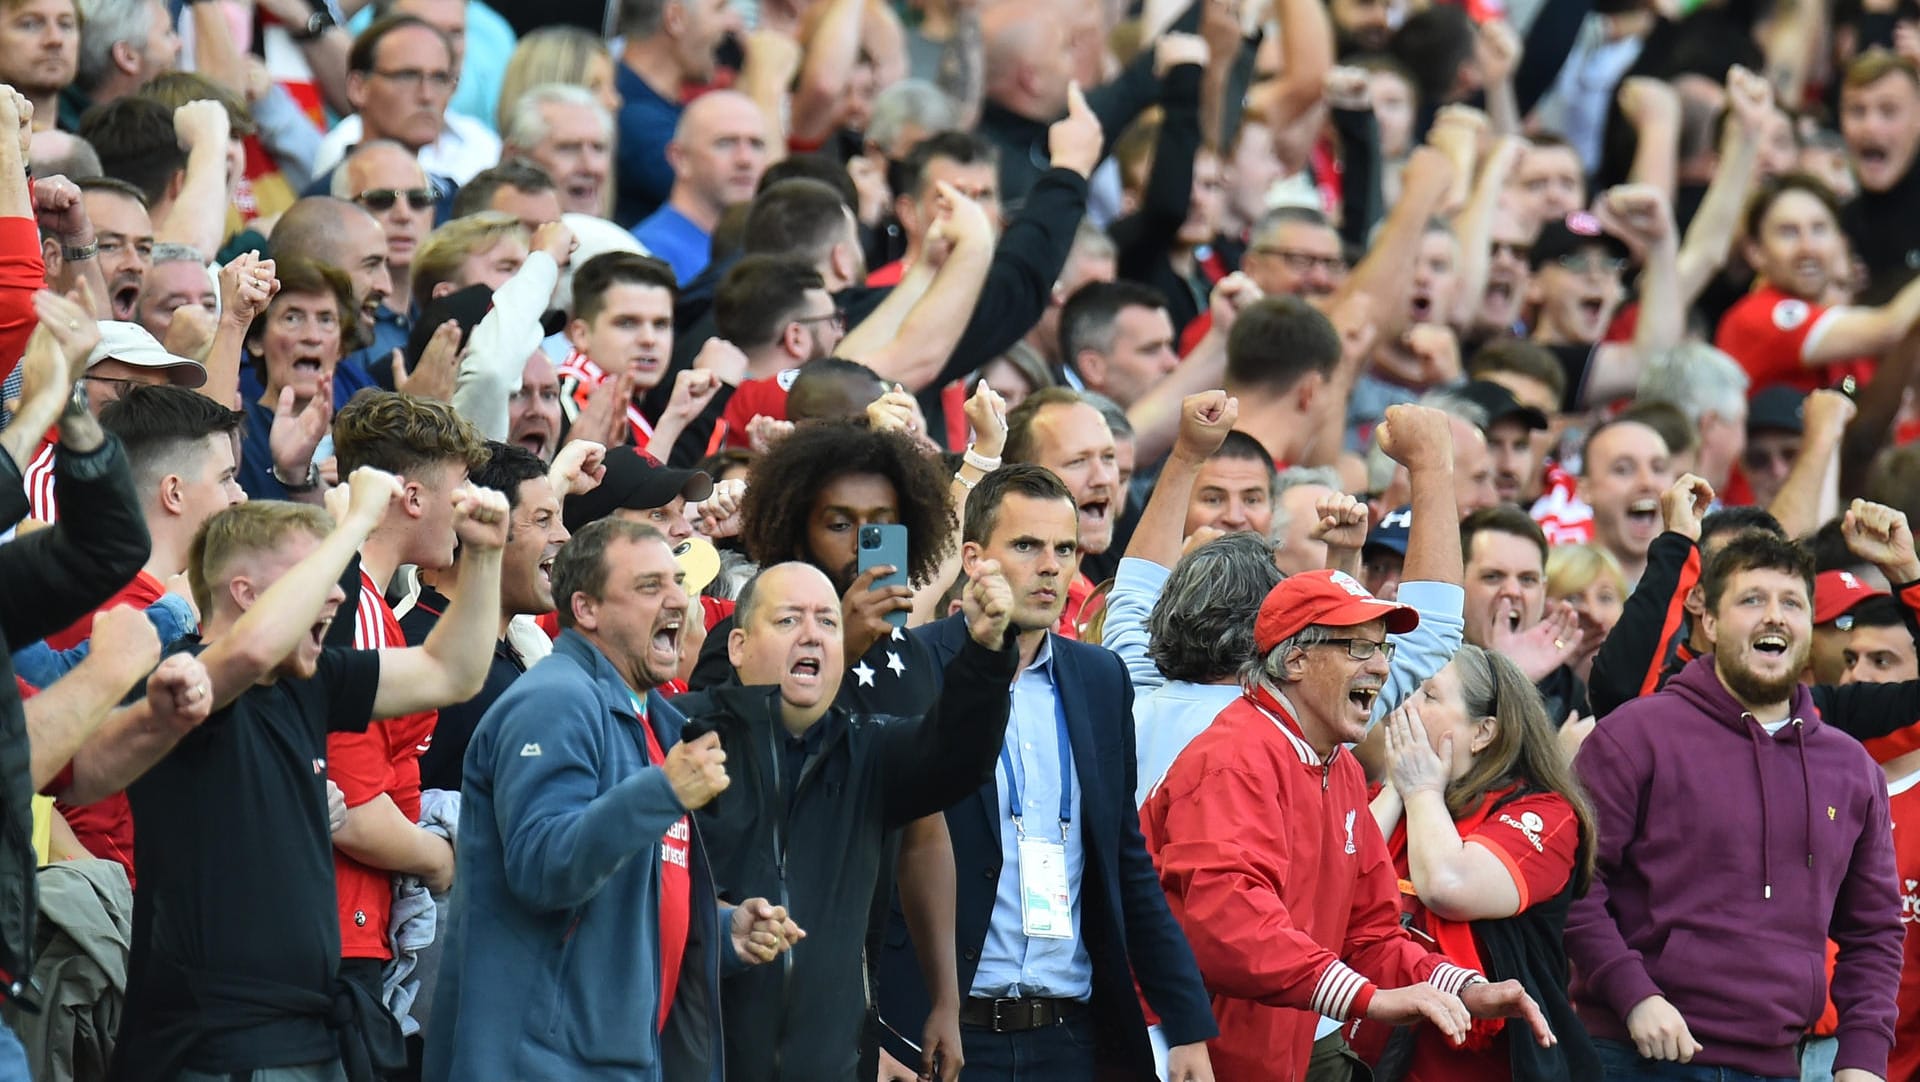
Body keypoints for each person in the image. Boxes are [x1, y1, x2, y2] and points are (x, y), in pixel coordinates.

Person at [115, 466, 510, 1082]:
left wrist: (484, 558)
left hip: (310, 1035)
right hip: (217, 1050)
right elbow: (247, 651)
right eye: (316, 573)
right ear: (244, 592)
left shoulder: (309, 679)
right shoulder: (187, 677)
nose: (336, 593)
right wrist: (354, 524)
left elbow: (450, 672)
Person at [1139, 569, 1555, 1081]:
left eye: (1383, 649)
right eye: (1359, 648)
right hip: (1183, 1058)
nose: (1381, 668)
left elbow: (1369, 935)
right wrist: (1368, 999)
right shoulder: (1234, 759)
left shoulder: (1340, 768)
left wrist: (1460, 987)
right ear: (1295, 658)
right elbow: (1232, 927)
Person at [423, 519, 800, 1082]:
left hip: (620, 1062)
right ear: (587, 608)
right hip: (537, 1066)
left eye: (677, 582)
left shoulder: (656, 723)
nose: (679, 599)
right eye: (650, 587)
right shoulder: (555, 701)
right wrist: (662, 791)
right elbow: (544, 867)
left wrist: (722, 933)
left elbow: (632, 897)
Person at [876, 465, 1220, 1082]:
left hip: (1067, 1036)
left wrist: (1186, 1020)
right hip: (937, 1034)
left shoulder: (1100, 677)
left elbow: (1124, 859)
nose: (1051, 566)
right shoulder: (913, 665)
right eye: (1027, 546)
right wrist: (875, 1031)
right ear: (974, 558)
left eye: (1065, 549)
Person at [1565, 532, 1904, 1082]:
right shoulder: (1635, 734)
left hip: (1776, 1067)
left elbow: (1874, 931)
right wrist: (1634, 995)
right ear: (1711, 623)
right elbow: (1574, 884)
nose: (1775, 617)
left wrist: (1862, 1061)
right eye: (1752, 600)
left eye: (1791, 603)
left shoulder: (1850, 768)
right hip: (1633, 1056)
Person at [676, 558, 1019, 1082]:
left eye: (828, 622)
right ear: (739, 646)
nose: (812, 635)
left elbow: (957, 755)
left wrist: (987, 653)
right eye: (789, 620)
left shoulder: (871, 750)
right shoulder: (678, 741)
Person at [1363, 645, 1602, 1080]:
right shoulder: (1391, 798)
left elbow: (1448, 885)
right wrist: (1397, 789)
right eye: (1408, 690)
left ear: (1483, 732)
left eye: (1429, 696)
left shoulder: (1545, 813)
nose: (1405, 704)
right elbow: (1339, 881)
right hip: (1370, 1057)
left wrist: (1420, 791)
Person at [632, 90, 770, 284]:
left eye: (756, 144)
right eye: (725, 143)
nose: (745, 160)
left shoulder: (766, 248)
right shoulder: (647, 252)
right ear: (680, 159)